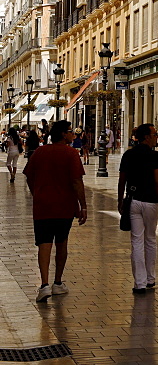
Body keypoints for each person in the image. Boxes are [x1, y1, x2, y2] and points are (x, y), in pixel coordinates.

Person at [23, 119, 87, 302]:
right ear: (62, 134)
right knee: (61, 242)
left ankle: (44, 285)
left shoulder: (40, 152)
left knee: (44, 244)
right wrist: (84, 206)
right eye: (70, 131)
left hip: (42, 206)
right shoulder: (71, 153)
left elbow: (28, 176)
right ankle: (57, 282)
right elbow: (77, 182)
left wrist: (37, 193)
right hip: (64, 206)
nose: (73, 134)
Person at [117, 123, 158, 294]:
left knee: (136, 241)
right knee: (150, 239)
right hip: (151, 201)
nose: (156, 138)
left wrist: (119, 200)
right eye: (154, 134)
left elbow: (122, 179)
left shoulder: (128, 155)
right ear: (146, 137)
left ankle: (139, 282)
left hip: (133, 200)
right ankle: (150, 278)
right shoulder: (154, 156)